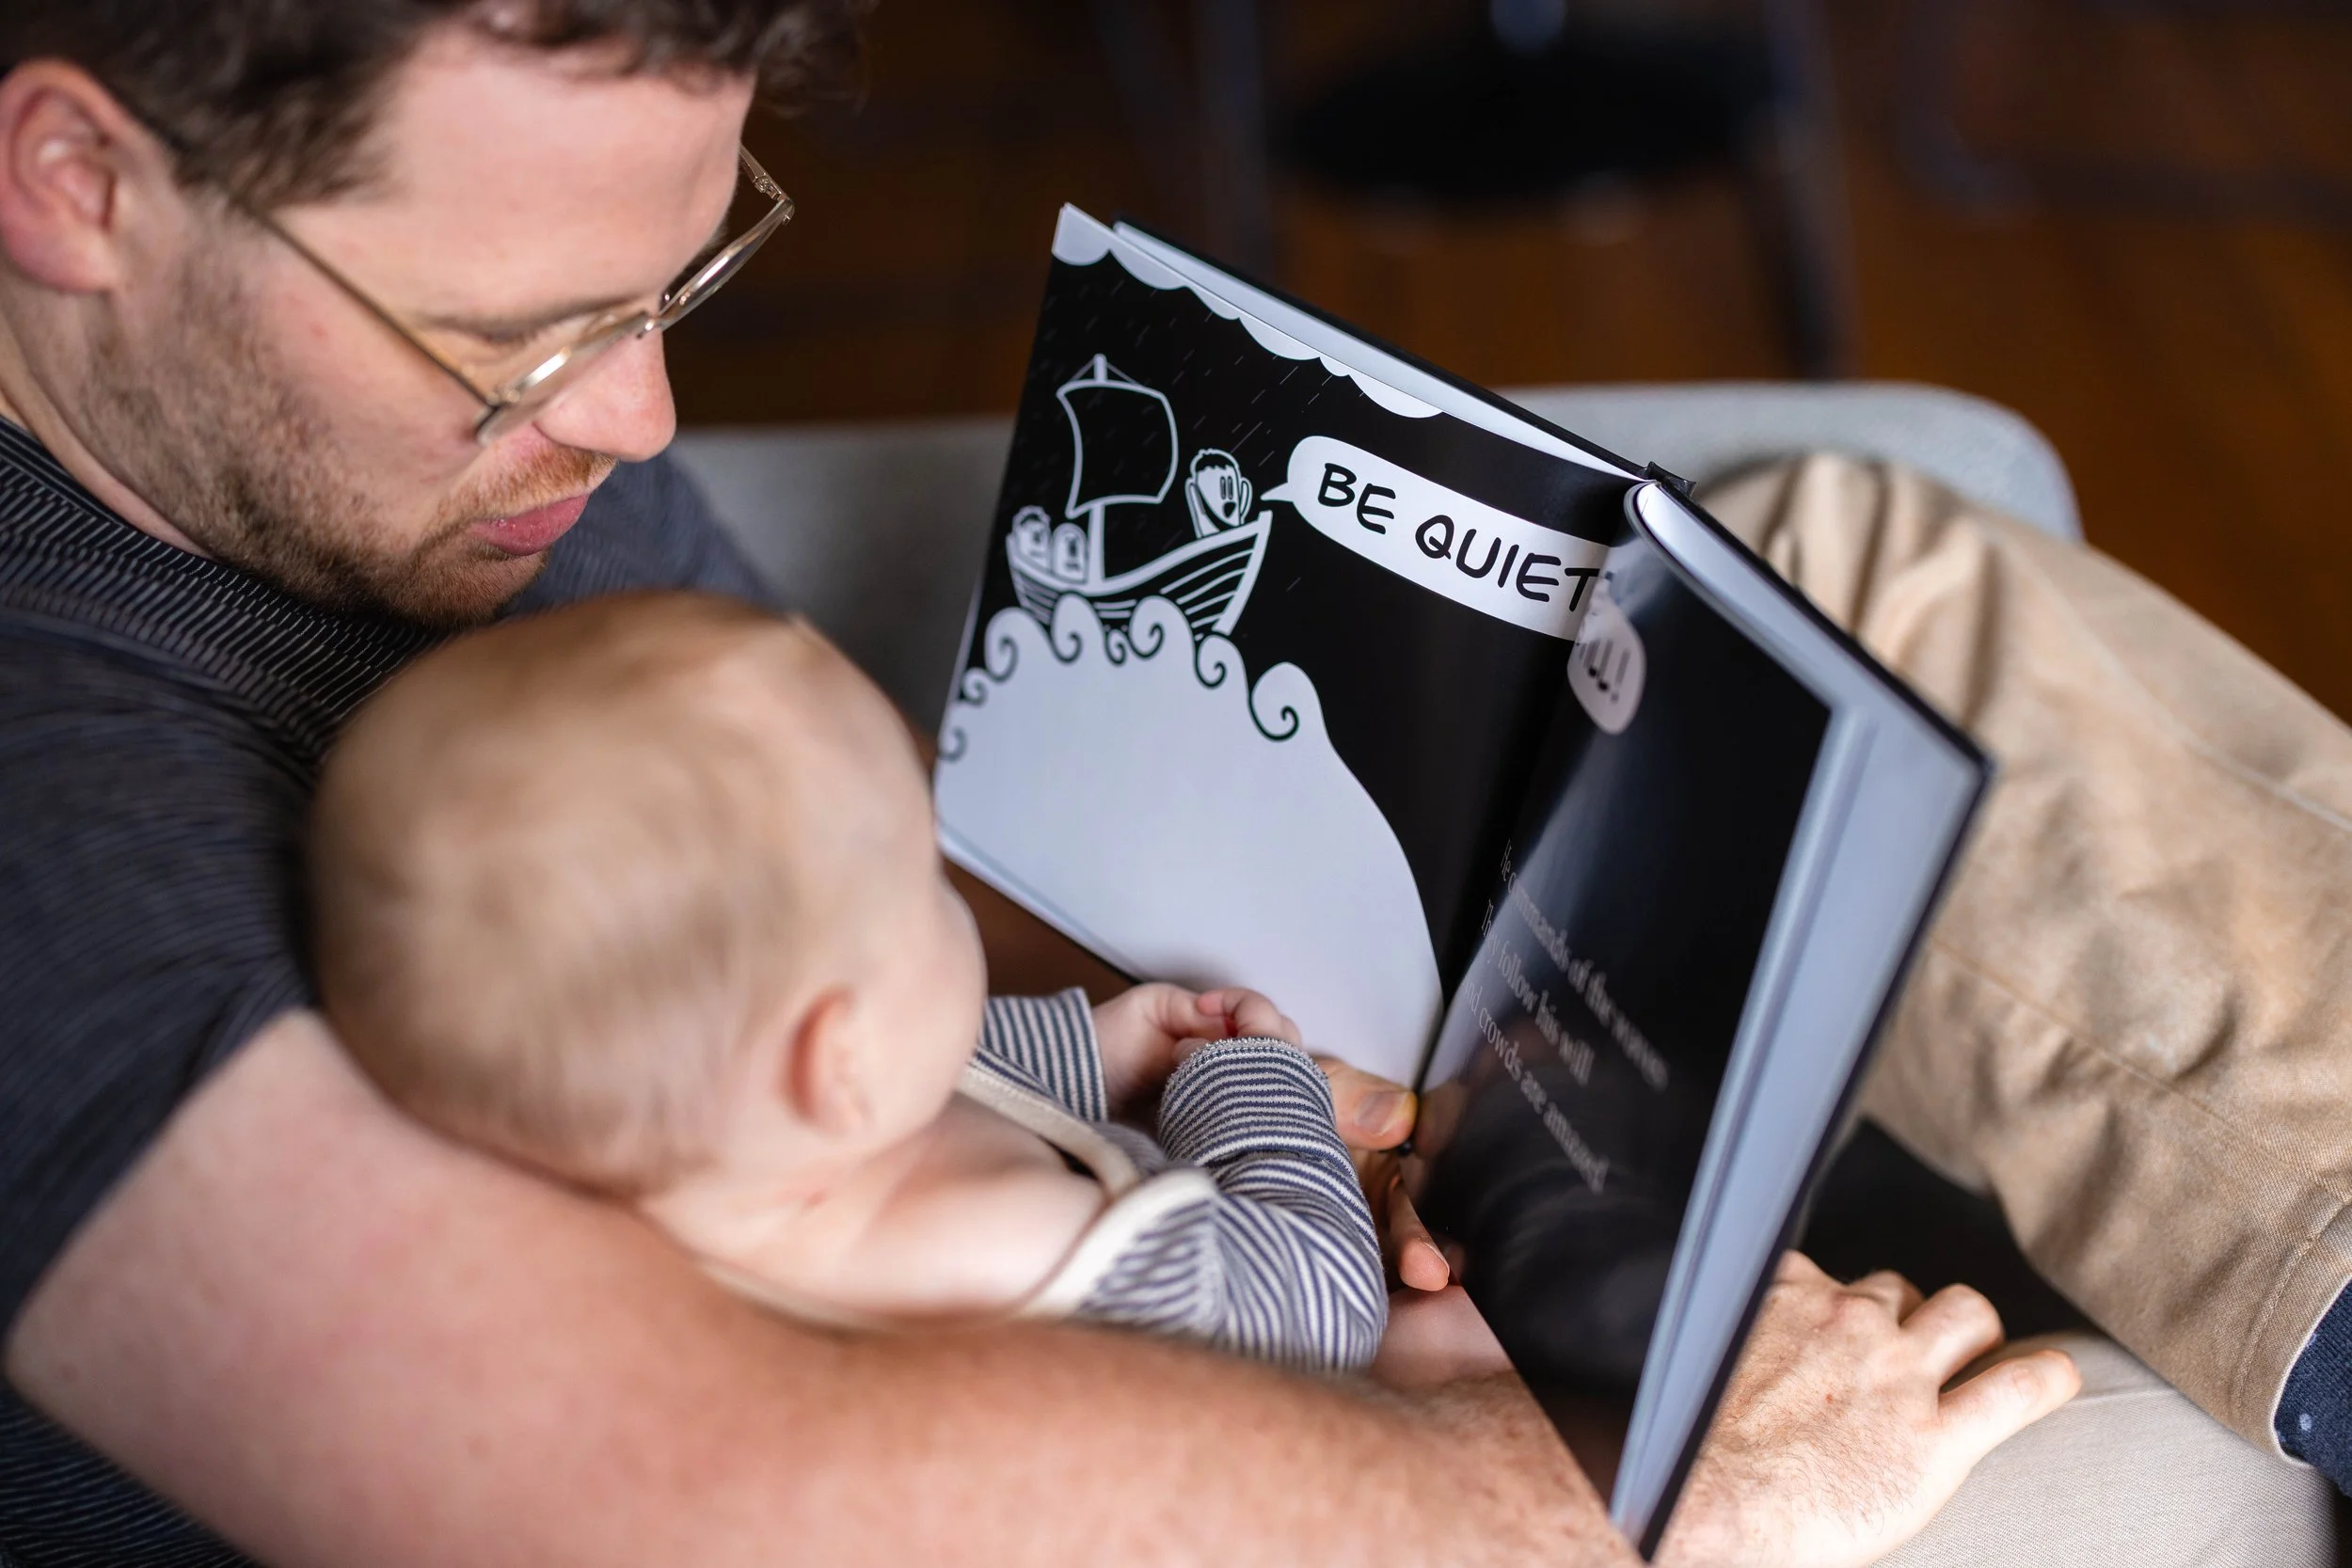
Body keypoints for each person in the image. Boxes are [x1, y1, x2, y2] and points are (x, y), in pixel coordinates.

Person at [0, 3, 2086, 1565]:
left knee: (1832, 557)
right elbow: (700, 1492)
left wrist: (1321, 1071)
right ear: (78, 184)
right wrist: (1624, 1485)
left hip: (1177, 1167)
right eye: (524, 343)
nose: (637, 418)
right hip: (1128, 1407)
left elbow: (881, 865)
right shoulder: (52, 830)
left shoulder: (412, 470)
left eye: (671, 285)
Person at [310, 591, 1385, 1370]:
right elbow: (1319, 1309)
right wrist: (1252, 1087)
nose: (948, 897)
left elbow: (932, 1070)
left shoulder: (707, 1158)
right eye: (926, 881)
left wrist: (1092, 1054)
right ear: (840, 1059)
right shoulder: (1004, 1243)